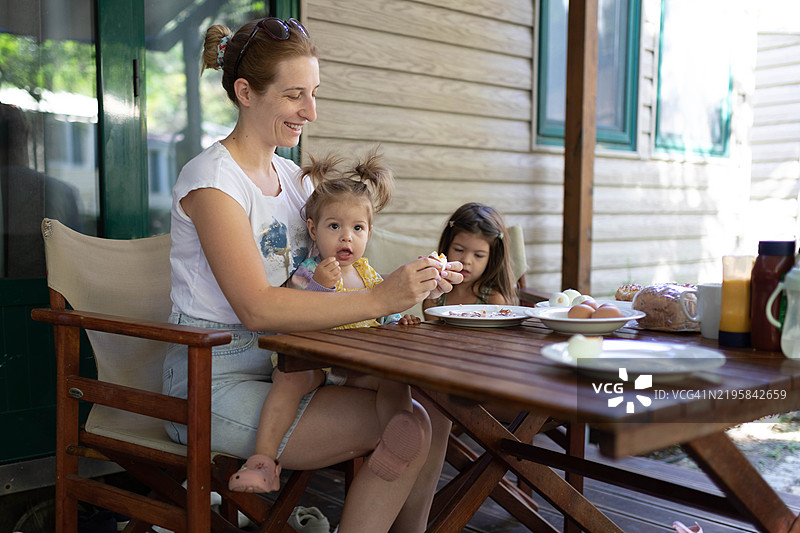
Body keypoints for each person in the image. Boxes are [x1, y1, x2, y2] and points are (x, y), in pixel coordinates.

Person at [162, 17, 461, 532]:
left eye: (314, 93)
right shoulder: (211, 181)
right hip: (215, 374)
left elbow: (330, 273)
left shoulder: (293, 179)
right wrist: (381, 300)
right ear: (245, 92)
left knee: (431, 413)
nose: (311, 111)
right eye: (295, 94)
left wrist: (416, 281)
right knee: (408, 428)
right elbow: (256, 307)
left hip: (297, 361)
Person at [229, 149, 426, 493]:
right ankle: (262, 461)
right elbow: (292, 307)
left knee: (394, 381)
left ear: (369, 232)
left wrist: (399, 321)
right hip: (312, 364)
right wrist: (319, 283)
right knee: (286, 381)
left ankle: (395, 445)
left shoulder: (367, 275)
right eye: (334, 226)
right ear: (313, 229)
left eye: (357, 228)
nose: (346, 237)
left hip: (354, 368)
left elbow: (383, 312)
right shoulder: (309, 270)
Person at [423, 202, 517, 314]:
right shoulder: (435, 297)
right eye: (459, 250)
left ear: (493, 258)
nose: (466, 261)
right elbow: (432, 330)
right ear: (447, 246)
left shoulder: (495, 301)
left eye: (479, 255)